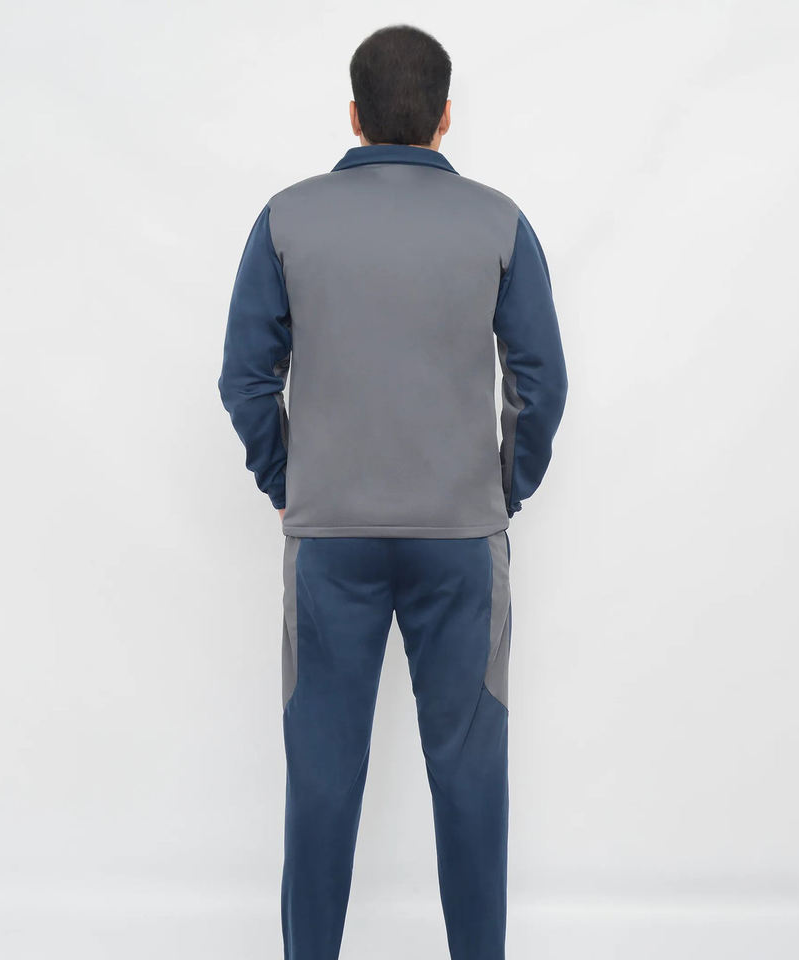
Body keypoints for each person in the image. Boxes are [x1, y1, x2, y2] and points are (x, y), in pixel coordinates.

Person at [218, 23, 568, 960]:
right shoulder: (499, 222)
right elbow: (541, 382)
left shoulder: (287, 218)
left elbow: (245, 378)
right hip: (460, 541)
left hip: (330, 540)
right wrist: (502, 488)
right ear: (446, 117)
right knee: (471, 780)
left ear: (353, 115)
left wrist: (288, 479)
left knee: (322, 780)